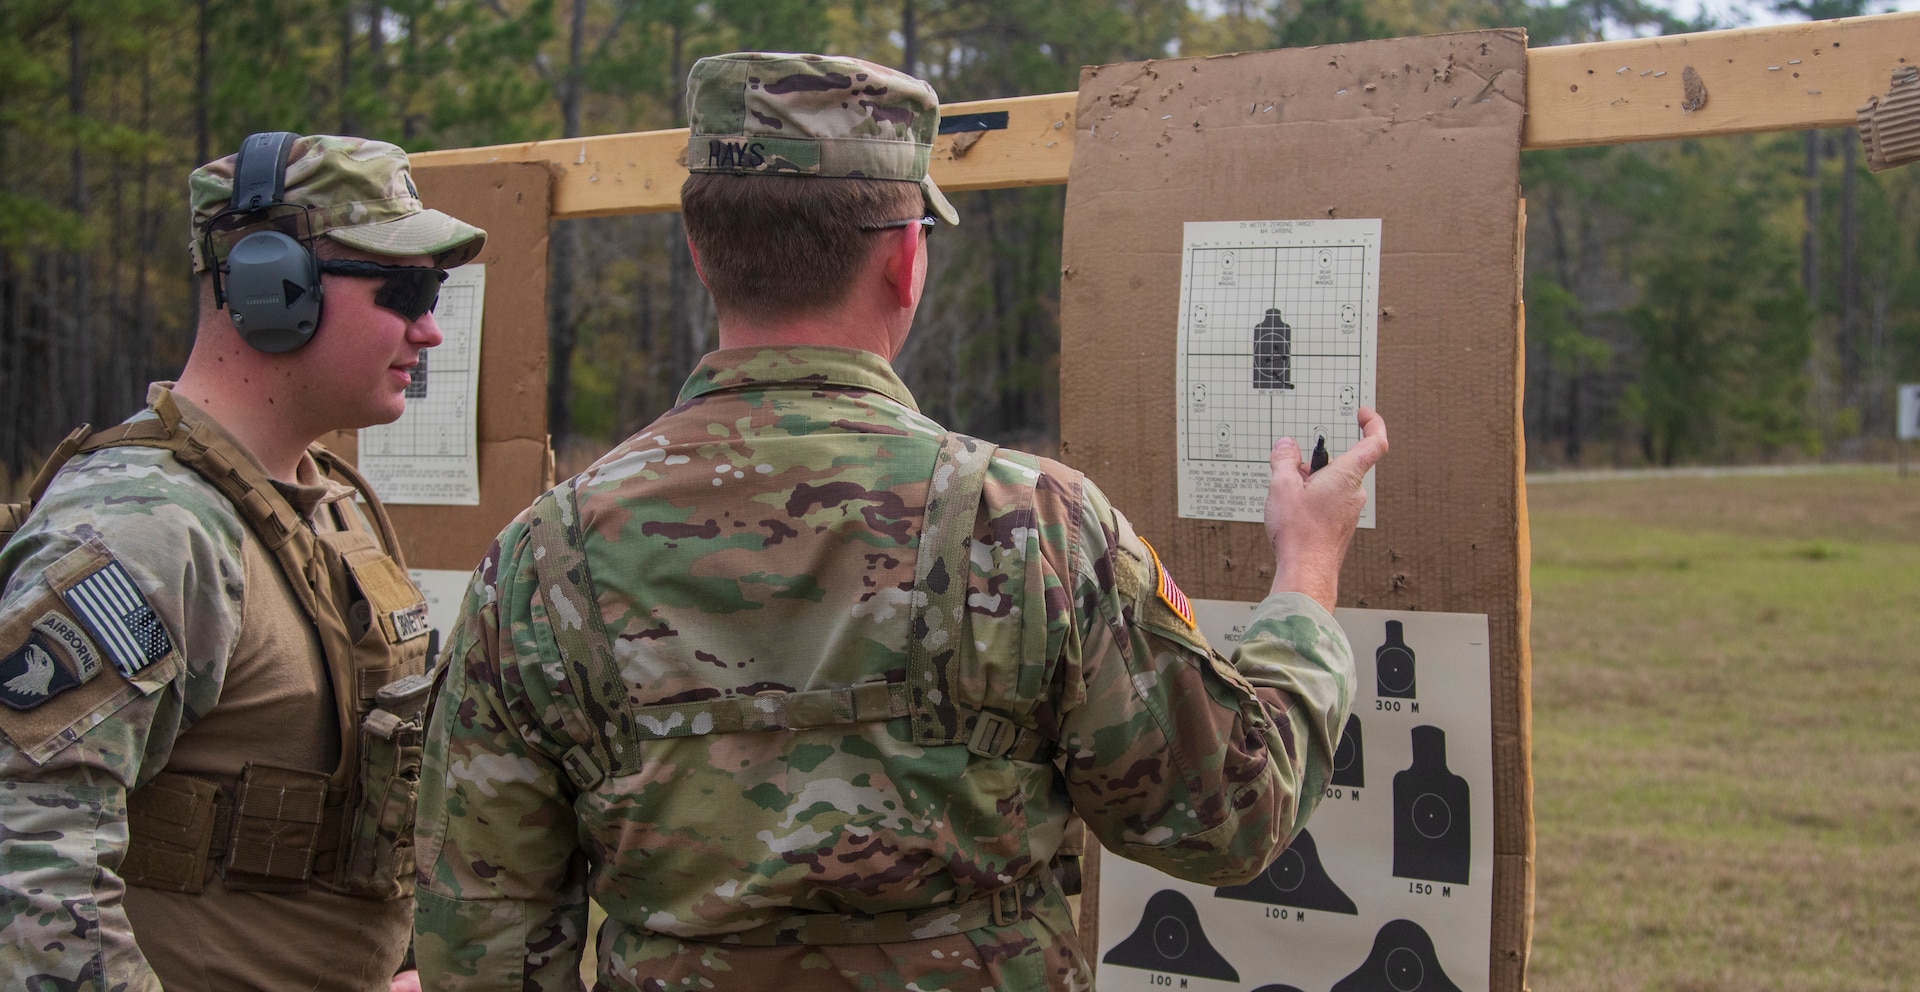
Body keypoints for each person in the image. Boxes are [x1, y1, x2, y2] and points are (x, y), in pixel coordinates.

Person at [412, 52, 1387, 992]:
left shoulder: (542, 560)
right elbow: (1230, 811)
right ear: (908, 256)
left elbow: (483, 942)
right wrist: (1305, 568)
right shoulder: (1032, 526)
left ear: (700, 249)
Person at [0, 133, 485, 991]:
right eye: (403, 289)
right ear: (271, 290)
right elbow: (29, 856)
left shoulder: (331, 502)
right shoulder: (145, 527)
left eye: (434, 291)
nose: (430, 328)